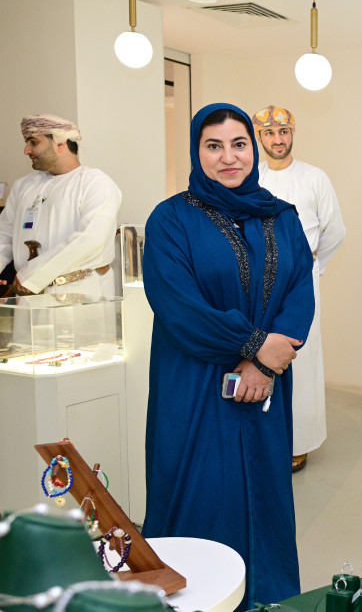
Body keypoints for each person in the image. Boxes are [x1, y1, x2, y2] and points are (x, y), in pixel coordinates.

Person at [141, 103, 315, 607]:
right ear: (196, 151)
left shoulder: (282, 216)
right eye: (213, 146)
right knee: (200, 490)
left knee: (265, 492)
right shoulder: (171, 218)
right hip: (193, 383)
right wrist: (255, 346)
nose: (228, 157)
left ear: (253, 149)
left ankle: (266, 597)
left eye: (239, 144)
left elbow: (300, 291)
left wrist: (263, 363)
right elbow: (177, 305)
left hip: (264, 387)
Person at [251, 104, 345, 473]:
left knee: (301, 360)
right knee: (258, 354)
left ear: (292, 133)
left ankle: (298, 443)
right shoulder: (252, 178)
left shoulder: (314, 178)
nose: (278, 139)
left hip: (301, 284)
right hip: (257, 285)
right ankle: (263, 440)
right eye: (269, 133)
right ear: (260, 137)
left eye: (283, 132)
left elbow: (334, 232)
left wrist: (313, 268)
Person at [0, 114, 121, 297]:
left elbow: (91, 239)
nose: (26, 150)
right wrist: (29, 278)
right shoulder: (23, 185)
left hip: (80, 294)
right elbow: (5, 235)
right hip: (26, 294)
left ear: (60, 143)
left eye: (33, 142)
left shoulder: (96, 183)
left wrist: (34, 274)